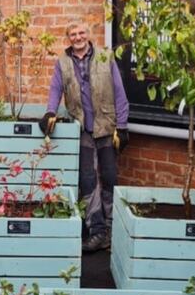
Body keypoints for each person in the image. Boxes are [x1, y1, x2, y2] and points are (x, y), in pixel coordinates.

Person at [40, 21, 130, 253]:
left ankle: (112, 230)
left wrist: (122, 125)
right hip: (81, 128)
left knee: (109, 177)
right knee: (88, 180)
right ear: (68, 38)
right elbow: (55, 89)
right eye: (73, 34)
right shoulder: (63, 62)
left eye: (81, 33)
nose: (78, 37)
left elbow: (119, 92)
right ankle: (97, 230)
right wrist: (50, 111)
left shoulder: (104, 57)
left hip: (106, 126)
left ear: (88, 35)